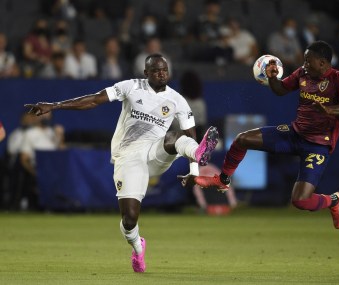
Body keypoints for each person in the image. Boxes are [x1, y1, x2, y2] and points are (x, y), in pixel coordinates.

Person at [24, 54, 219, 272]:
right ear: (146, 73)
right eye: (155, 70)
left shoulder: (178, 101)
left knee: (176, 138)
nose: (161, 73)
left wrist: (194, 171)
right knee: (129, 218)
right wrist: (55, 105)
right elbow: (95, 99)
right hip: (128, 156)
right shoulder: (131, 87)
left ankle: (199, 154)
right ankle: (137, 247)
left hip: (156, 152)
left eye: (164, 70)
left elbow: (190, 134)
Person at [195, 41, 339, 229]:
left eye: (308, 61)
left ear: (322, 63)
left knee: (300, 201)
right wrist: (272, 79)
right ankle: (223, 180)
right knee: (242, 139)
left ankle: (334, 200)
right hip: (294, 134)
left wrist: (329, 110)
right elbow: (281, 90)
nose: (304, 64)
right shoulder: (303, 73)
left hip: (318, 145)